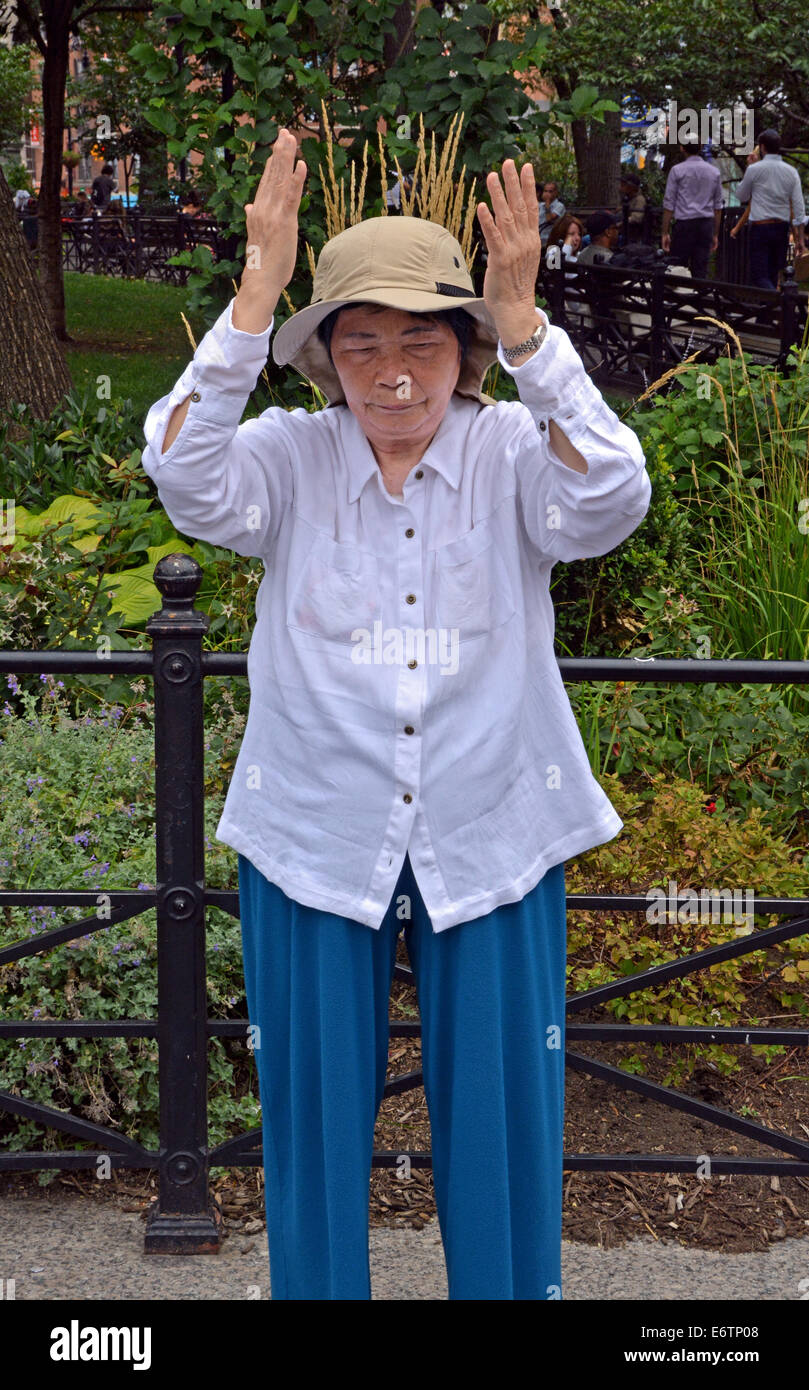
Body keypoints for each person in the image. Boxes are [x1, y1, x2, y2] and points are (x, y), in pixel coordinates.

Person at [141, 128, 651, 1301]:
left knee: (503, 1127)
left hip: (494, 829)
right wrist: (255, 299)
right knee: (312, 1129)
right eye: (359, 343)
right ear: (323, 362)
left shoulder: (517, 450)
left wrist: (529, 330)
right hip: (315, 833)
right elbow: (180, 473)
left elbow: (612, 494)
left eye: (420, 342)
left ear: (462, 354)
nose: (390, 373)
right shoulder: (284, 460)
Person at [732, 128, 807, 289]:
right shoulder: (791, 172)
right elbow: (799, 207)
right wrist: (800, 238)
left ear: (762, 147)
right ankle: (770, 311)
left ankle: (779, 306)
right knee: (773, 274)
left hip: (760, 228)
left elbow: (741, 196)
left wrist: (749, 168)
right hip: (781, 227)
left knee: (759, 276)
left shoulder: (754, 169)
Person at [661, 137, 723, 278]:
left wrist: (665, 231)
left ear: (682, 148)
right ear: (701, 147)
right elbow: (718, 206)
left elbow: (669, 203)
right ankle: (698, 296)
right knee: (700, 268)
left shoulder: (677, 170)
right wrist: (715, 233)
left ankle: (678, 298)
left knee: (677, 268)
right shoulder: (714, 172)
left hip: (684, 224)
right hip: (705, 224)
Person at [619, 170, 647, 242]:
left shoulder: (639, 200)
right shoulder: (626, 199)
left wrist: (619, 224)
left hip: (630, 236)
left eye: (623, 185)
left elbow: (636, 218)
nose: (620, 188)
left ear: (631, 187)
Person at [538, 180, 565, 248]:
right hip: (538, 237)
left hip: (551, 239)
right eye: (545, 191)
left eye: (550, 191)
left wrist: (547, 202)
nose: (547, 193)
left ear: (555, 193)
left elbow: (549, 219)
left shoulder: (559, 206)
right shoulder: (540, 205)